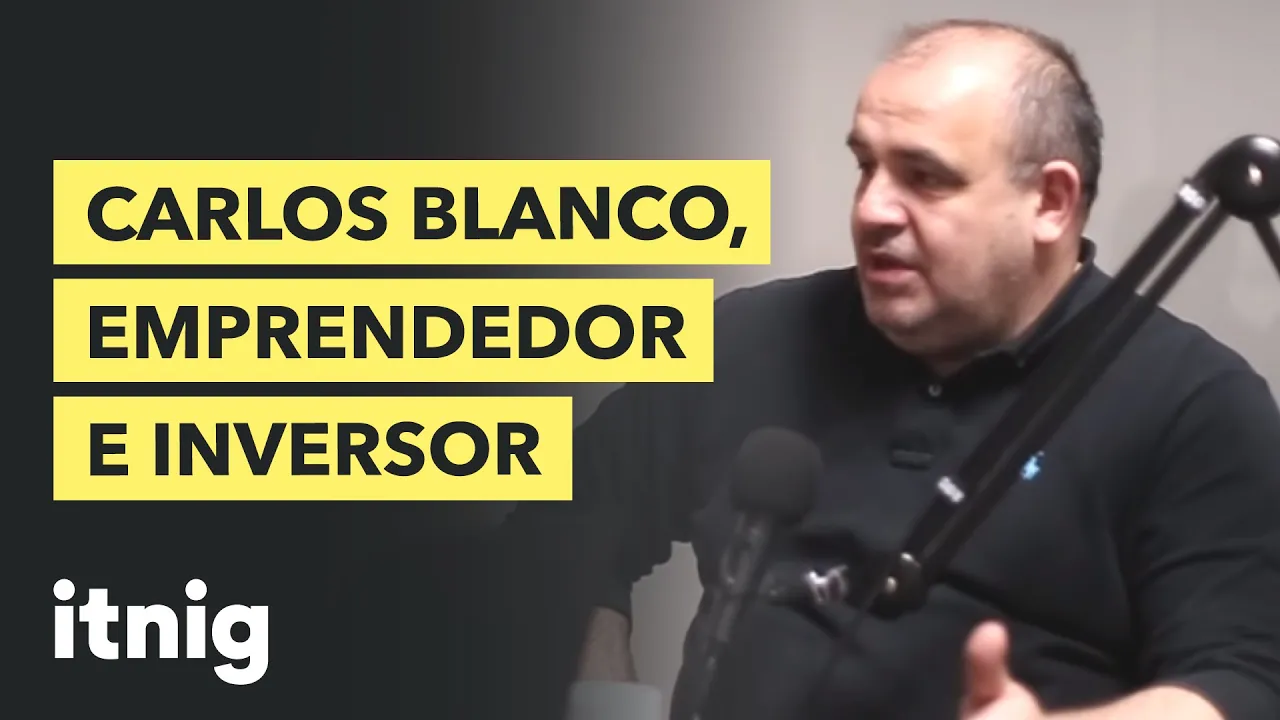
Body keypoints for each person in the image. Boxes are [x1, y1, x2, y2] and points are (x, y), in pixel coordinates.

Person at [561, 18, 1280, 720]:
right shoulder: (747, 339)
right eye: (865, 166)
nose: (872, 209)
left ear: (1051, 202)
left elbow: (1243, 680)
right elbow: (563, 518)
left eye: (925, 177)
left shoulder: (1196, 402)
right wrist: (603, 695)